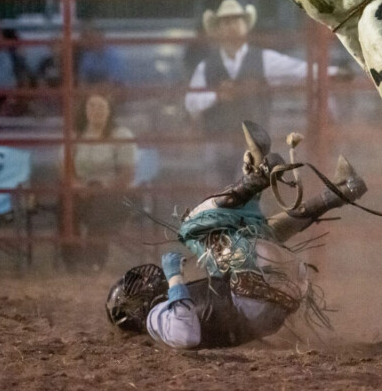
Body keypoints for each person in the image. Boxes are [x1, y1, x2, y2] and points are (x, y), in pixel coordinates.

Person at [105, 122, 367, 349]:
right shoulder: (155, 319)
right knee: (190, 229)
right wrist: (174, 276)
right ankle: (257, 176)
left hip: (274, 298)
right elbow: (186, 336)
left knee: (259, 236)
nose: (143, 280)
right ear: (134, 311)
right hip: (254, 296)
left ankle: (343, 190)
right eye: (134, 289)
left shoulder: (175, 310)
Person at [184, 0, 308, 184]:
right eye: (226, 22)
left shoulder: (263, 59)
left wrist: (336, 72)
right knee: (218, 194)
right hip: (218, 140)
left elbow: (298, 70)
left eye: (236, 20)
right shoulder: (207, 66)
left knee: (247, 192)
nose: (232, 26)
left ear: (245, 26)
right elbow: (191, 102)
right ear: (218, 29)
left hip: (252, 143)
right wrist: (217, 95)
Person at [61, 91, 137, 270]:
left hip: (113, 191)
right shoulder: (75, 136)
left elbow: (127, 173)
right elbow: (65, 168)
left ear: (110, 110)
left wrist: (104, 188)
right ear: (84, 110)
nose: (97, 110)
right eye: (92, 106)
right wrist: (78, 187)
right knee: (65, 202)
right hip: (82, 189)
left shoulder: (122, 135)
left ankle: (94, 260)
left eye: (102, 106)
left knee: (102, 204)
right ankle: (72, 260)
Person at [75, 20, 127, 86]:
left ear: (101, 38)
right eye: (88, 39)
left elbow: (113, 82)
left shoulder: (114, 56)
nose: (88, 42)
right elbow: (82, 80)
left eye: (91, 38)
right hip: (92, 92)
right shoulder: (88, 56)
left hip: (113, 92)